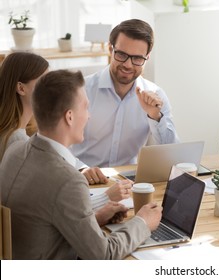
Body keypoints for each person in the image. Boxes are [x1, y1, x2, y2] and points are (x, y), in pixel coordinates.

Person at [0, 69, 162, 259]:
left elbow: (42, 221)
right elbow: (103, 255)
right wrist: (142, 222)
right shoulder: (68, 180)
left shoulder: (15, 151)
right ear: (69, 117)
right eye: (85, 107)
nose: (89, 116)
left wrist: (95, 219)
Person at [0, 52, 131, 211]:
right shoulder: (17, 141)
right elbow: (51, 206)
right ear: (21, 88)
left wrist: (79, 170)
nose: (49, 89)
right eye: (43, 82)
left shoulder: (16, 131)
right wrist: (106, 198)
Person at [71, 19, 180, 167]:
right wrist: (82, 170)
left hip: (127, 181)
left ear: (147, 57)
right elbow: (57, 146)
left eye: (137, 58)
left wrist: (155, 117)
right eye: (121, 55)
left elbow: (173, 154)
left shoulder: (156, 95)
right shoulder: (81, 90)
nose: (128, 65)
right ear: (111, 49)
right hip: (83, 178)